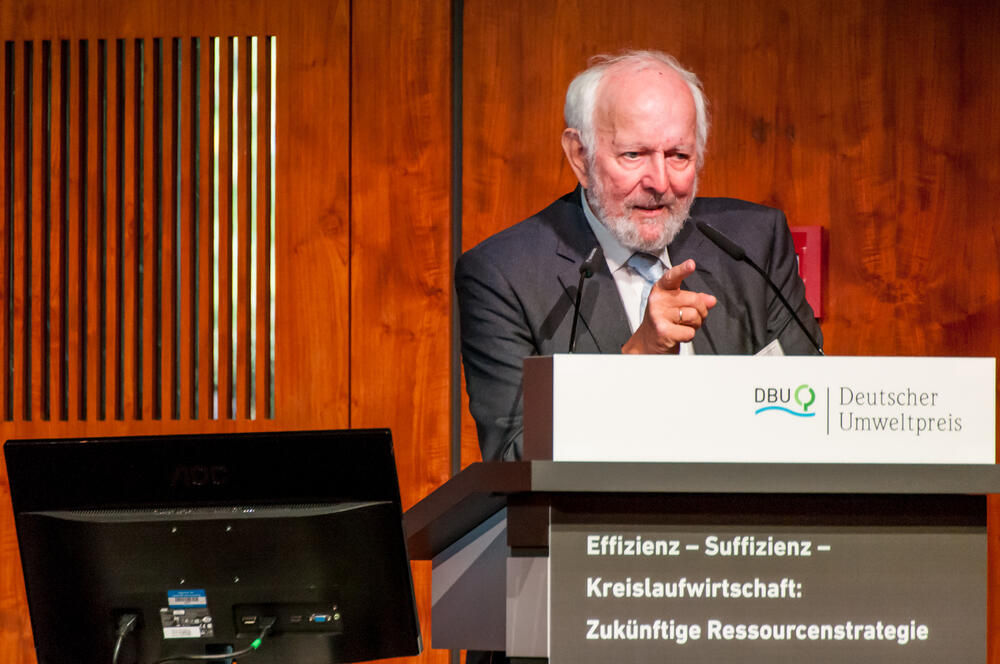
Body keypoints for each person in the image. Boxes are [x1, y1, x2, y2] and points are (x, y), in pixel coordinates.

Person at [456, 49, 822, 465]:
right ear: (580, 156)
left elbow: (813, 414)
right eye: (634, 155)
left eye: (678, 156)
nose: (660, 182)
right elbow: (513, 459)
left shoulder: (754, 245)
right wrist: (637, 359)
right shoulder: (505, 275)